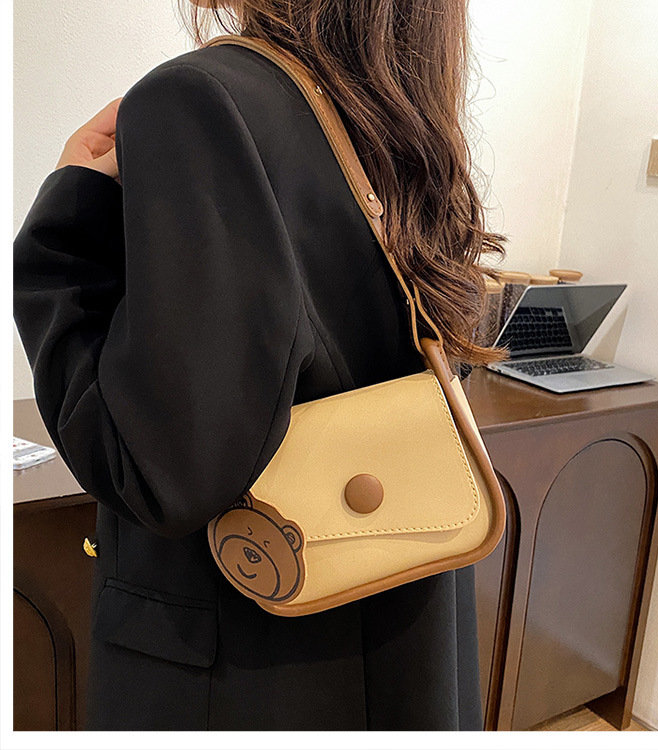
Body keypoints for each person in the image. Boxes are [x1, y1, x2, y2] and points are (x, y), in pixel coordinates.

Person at [13, 0, 508, 731]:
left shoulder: (198, 100)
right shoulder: (399, 112)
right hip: (405, 619)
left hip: (247, 664)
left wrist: (67, 221)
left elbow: (154, 472)